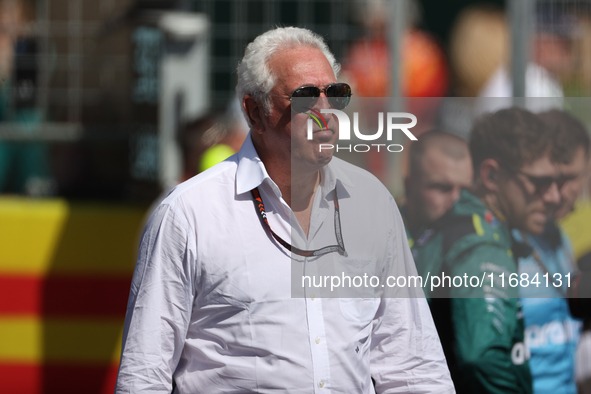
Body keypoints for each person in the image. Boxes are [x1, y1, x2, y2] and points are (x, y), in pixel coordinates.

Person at [115, 27, 454, 393]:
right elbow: (144, 375)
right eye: (305, 98)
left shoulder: (373, 201)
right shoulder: (189, 214)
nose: (326, 114)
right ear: (254, 112)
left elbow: (413, 365)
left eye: (336, 95)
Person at [429, 107, 563, 394]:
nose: (554, 196)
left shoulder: (460, 222)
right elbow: (482, 357)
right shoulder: (483, 244)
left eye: (557, 182)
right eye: (540, 182)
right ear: (491, 175)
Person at [516, 109, 589, 394]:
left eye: (572, 178)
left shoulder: (559, 235)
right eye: (563, 178)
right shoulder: (503, 248)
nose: (560, 193)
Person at [401, 131, 473, 296]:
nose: (456, 199)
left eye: (466, 190)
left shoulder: (479, 238)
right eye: (442, 187)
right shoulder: (381, 233)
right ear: (408, 186)